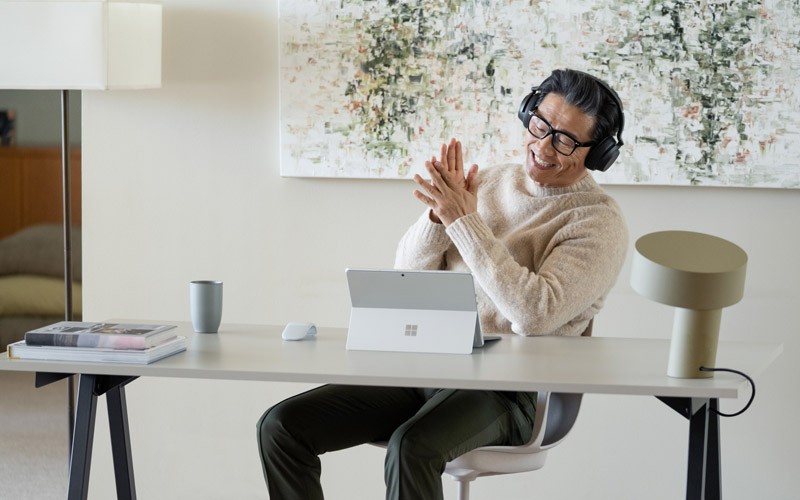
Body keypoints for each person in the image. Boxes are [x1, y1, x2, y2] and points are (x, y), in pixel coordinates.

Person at [257, 68, 629, 500]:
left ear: (597, 152)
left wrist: (464, 221)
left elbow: (534, 314)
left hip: (511, 390)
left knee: (412, 447)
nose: (543, 146)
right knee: (282, 427)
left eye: (565, 140)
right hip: (428, 366)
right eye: (540, 125)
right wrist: (438, 217)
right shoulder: (488, 181)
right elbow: (407, 278)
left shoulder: (597, 222)